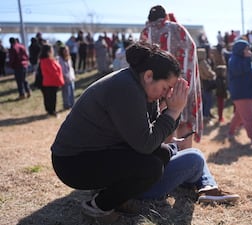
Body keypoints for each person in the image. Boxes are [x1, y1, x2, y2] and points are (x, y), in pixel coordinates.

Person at [51, 42, 239, 223]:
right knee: (151, 167)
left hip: (94, 153)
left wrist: (170, 109)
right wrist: (173, 112)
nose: (166, 93)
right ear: (149, 76)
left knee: (163, 153)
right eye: (165, 88)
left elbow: (155, 140)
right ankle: (98, 206)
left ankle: (114, 194)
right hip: (72, 163)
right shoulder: (126, 88)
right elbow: (146, 144)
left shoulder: (137, 84)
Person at [140, 5, 203, 149]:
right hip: (186, 85)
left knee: (165, 121)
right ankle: (186, 159)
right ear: (165, 16)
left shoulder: (147, 31)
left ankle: (170, 160)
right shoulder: (180, 29)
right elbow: (192, 54)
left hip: (159, 89)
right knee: (185, 123)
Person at [227, 39, 252, 144]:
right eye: (246, 49)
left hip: (247, 92)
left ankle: (230, 133)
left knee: (239, 115)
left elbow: (251, 70)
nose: (249, 51)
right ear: (240, 49)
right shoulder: (234, 61)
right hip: (241, 93)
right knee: (248, 117)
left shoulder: (244, 59)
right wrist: (248, 59)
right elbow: (242, 70)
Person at [39, 43, 64, 116]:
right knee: (52, 97)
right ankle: (52, 111)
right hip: (51, 81)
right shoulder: (47, 60)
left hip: (49, 81)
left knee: (49, 97)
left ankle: (50, 110)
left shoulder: (45, 60)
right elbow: (53, 71)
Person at [57, 45, 76, 109]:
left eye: (67, 50)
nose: (67, 52)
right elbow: (61, 69)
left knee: (72, 91)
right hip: (64, 78)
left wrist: (72, 76)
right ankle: (66, 105)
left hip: (71, 78)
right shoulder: (60, 59)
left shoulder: (69, 58)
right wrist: (64, 77)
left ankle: (72, 104)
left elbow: (71, 68)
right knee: (66, 92)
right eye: (65, 51)